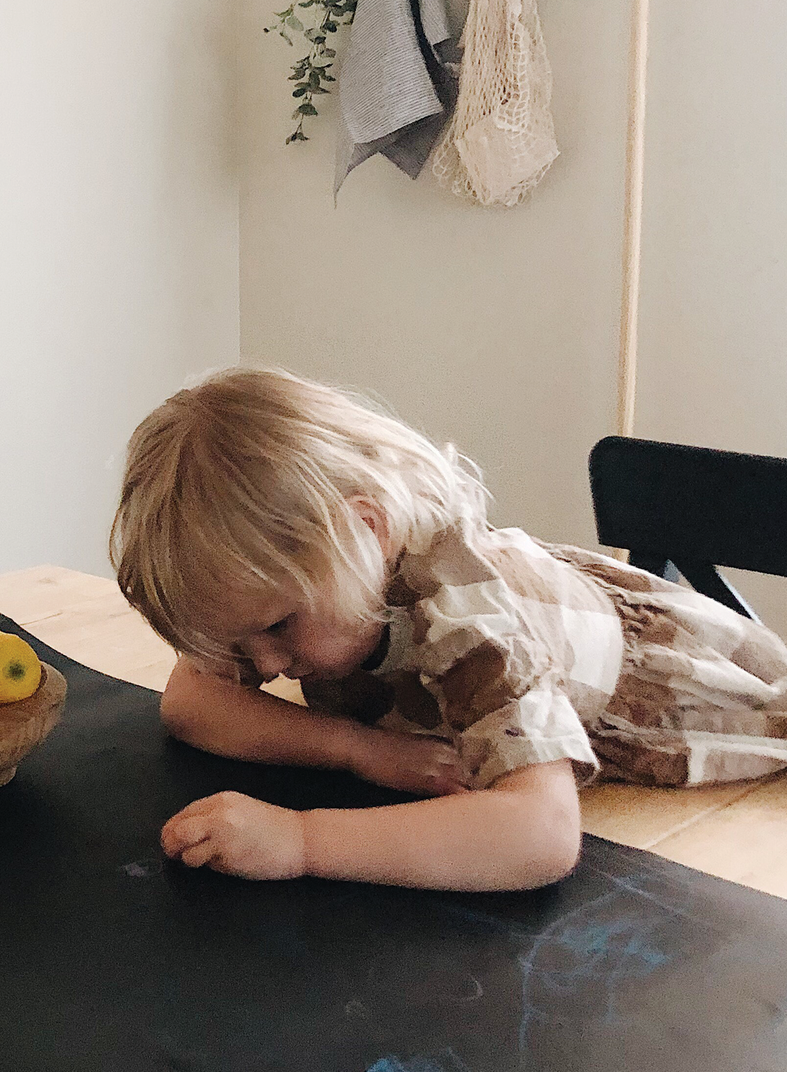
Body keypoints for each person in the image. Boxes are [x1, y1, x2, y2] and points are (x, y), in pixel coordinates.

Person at [110, 367, 787, 892]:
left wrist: (301, 841)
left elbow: (541, 835)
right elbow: (190, 701)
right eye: (240, 645)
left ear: (365, 531)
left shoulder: (468, 622)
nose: (264, 666)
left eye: (278, 627)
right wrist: (356, 749)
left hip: (680, 702)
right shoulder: (291, 586)